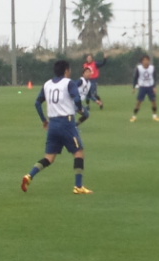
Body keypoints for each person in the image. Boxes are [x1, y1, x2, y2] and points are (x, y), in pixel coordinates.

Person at [23, 59, 91, 194]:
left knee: (49, 157)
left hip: (53, 124)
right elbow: (77, 99)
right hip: (67, 123)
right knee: (79, 152)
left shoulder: (47, 84)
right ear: (66, 70)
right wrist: (81, 109)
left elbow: (37, 103)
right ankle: (78, 186)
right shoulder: (69, 83)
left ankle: (29, 175)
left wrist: (44, 120)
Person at [131, 54, 159, 122]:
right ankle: (134, 116)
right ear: (142, 61)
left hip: (150, 86)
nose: (146, 62)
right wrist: (134, 87)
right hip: (142, 86)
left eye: (147, 60)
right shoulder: (139, 68)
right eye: (144, 60)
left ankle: (155, 115)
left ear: (149, 61)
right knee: (139, 102)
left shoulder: (152, 68)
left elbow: (155, 77)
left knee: (154, 101)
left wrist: (155, 86)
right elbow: (136, 78)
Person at [79, 53, 107, 119]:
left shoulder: (95, 64)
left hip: (93, 81)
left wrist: (105, 59)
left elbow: (103, 64)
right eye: (88, 58)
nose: (89, 59)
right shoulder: (85, 65)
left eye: (90, 58)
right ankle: (88, 106)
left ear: (92, 59)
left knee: (94, 94)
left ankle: (100, 102)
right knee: (87, 94)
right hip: (87, 81)